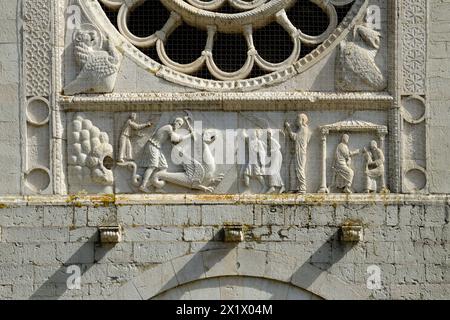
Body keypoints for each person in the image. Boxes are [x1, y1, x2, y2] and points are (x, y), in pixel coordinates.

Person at [139, 117, 193, 192]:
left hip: (157, 147)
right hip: (153, 146)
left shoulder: (171, 129)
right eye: (179, 124)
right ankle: (143, 185)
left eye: (181, 125)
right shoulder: (168, 128)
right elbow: (176, 139)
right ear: (175, 122)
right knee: (152, 166)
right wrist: (190, 135)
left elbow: (175, 142)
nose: (179, 126)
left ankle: (155, 185)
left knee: (163, 166)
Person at [285, 113, 311, 194]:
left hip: (300, 152)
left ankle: (302, 188)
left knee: (299, 169)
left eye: (298, 119)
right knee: (292, 168)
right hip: (296, 152)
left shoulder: (304, 129)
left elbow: (294, 137)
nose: (296, 121)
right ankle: (293, 188)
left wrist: (288, 128)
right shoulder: (300, 129)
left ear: (303, 120)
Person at [266, 129, 285, 194]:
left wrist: (271, 151)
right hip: (275, 156)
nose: (267, 135)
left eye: (268, 134)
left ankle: (273, 187)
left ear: (270, 134)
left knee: (272, 170)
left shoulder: (272, 140)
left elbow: (278, 147)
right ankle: (280, 186)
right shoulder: (269, 141)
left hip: (277, 156)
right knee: (274, 171)